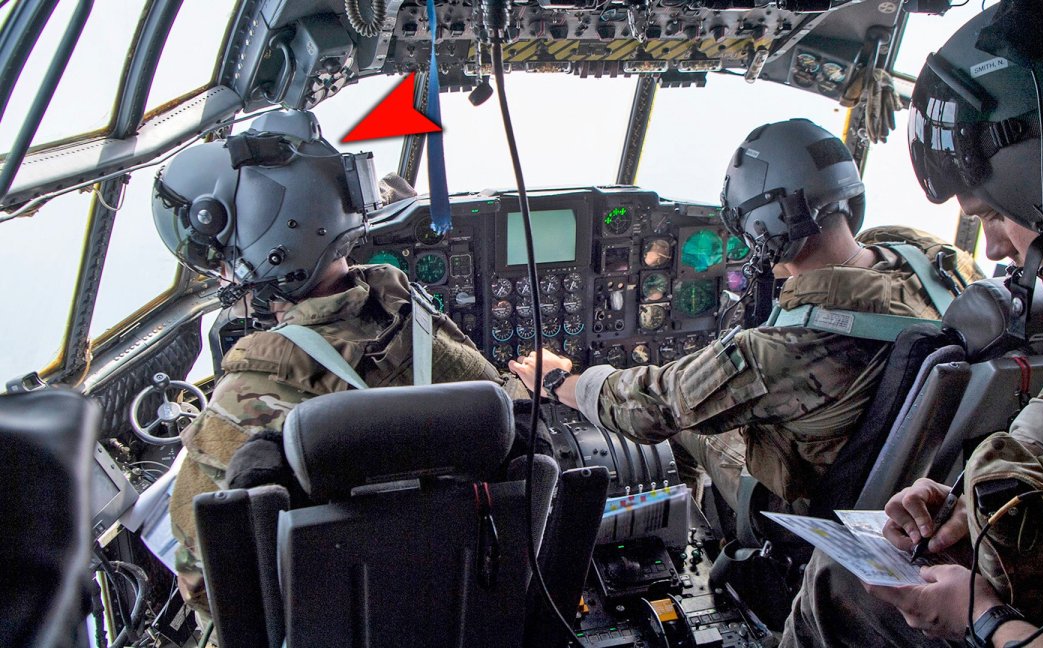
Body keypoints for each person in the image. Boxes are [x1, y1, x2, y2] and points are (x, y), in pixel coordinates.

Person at [783, 1, 1043, 645]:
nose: (998, 249)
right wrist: (979, 504)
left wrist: (980, 618)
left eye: (993, 215)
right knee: (839, 580)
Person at [508, 118, 981, 514]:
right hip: (922, 486)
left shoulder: (785, 351)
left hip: (811, 508)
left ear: (764, 226)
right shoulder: (933, 260)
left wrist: (560, 381)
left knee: (688, 425)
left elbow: (654, 406)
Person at [152, 109, 505, 619]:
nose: (227, 270)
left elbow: (205, 587)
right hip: (473, 613)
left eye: (226, 257)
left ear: (268, 245)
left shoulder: (241, 400)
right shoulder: (425, 329)